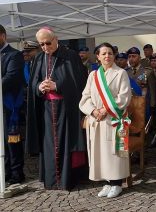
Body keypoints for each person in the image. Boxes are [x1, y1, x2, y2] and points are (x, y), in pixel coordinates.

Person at [26, 27, 88, 190]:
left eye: (48, 43)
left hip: (66, 109)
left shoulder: (70, 56)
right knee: (48, 144)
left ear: (56, 39)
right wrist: (39, 87)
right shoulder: (39, 58)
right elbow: (32, 83)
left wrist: (58, 85)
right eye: (42, 44)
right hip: (46, 108)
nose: (46, 47)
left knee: (66, 144)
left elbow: (80, 83)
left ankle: (67, 179)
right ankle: (52, 180)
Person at [79, 42, 132, 198]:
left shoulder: (121, 73)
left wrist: (104, 110)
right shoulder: (93, 75)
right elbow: (85, 97)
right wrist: (94, 111)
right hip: (97, 119)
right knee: (101, 152)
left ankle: (117, 183)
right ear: (98, 56)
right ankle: (107, 182)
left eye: (110, 53)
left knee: (114, 152)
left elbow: (124, 97)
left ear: (114, 55)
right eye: (104, 53)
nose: (107, 56)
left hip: (114, 118)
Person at [0, 24, 25, 184]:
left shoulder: (14, 55)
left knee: (11, 141)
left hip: (10, 106)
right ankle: (4, 171)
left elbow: (11, 77)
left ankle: (16, 173)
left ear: (3, 36)